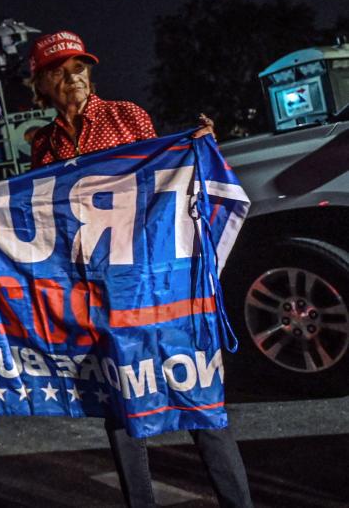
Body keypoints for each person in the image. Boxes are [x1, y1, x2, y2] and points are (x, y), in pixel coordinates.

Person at [27, 31, 252, 508]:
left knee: (200, 400)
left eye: (79, 69)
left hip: (156, 285)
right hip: (97, 293)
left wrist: (195, 149)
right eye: (60, 74)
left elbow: (160, 181)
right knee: (121, 406)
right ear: (41, 86)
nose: (74, 80)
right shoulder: (43, 146)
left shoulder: (128, 116)